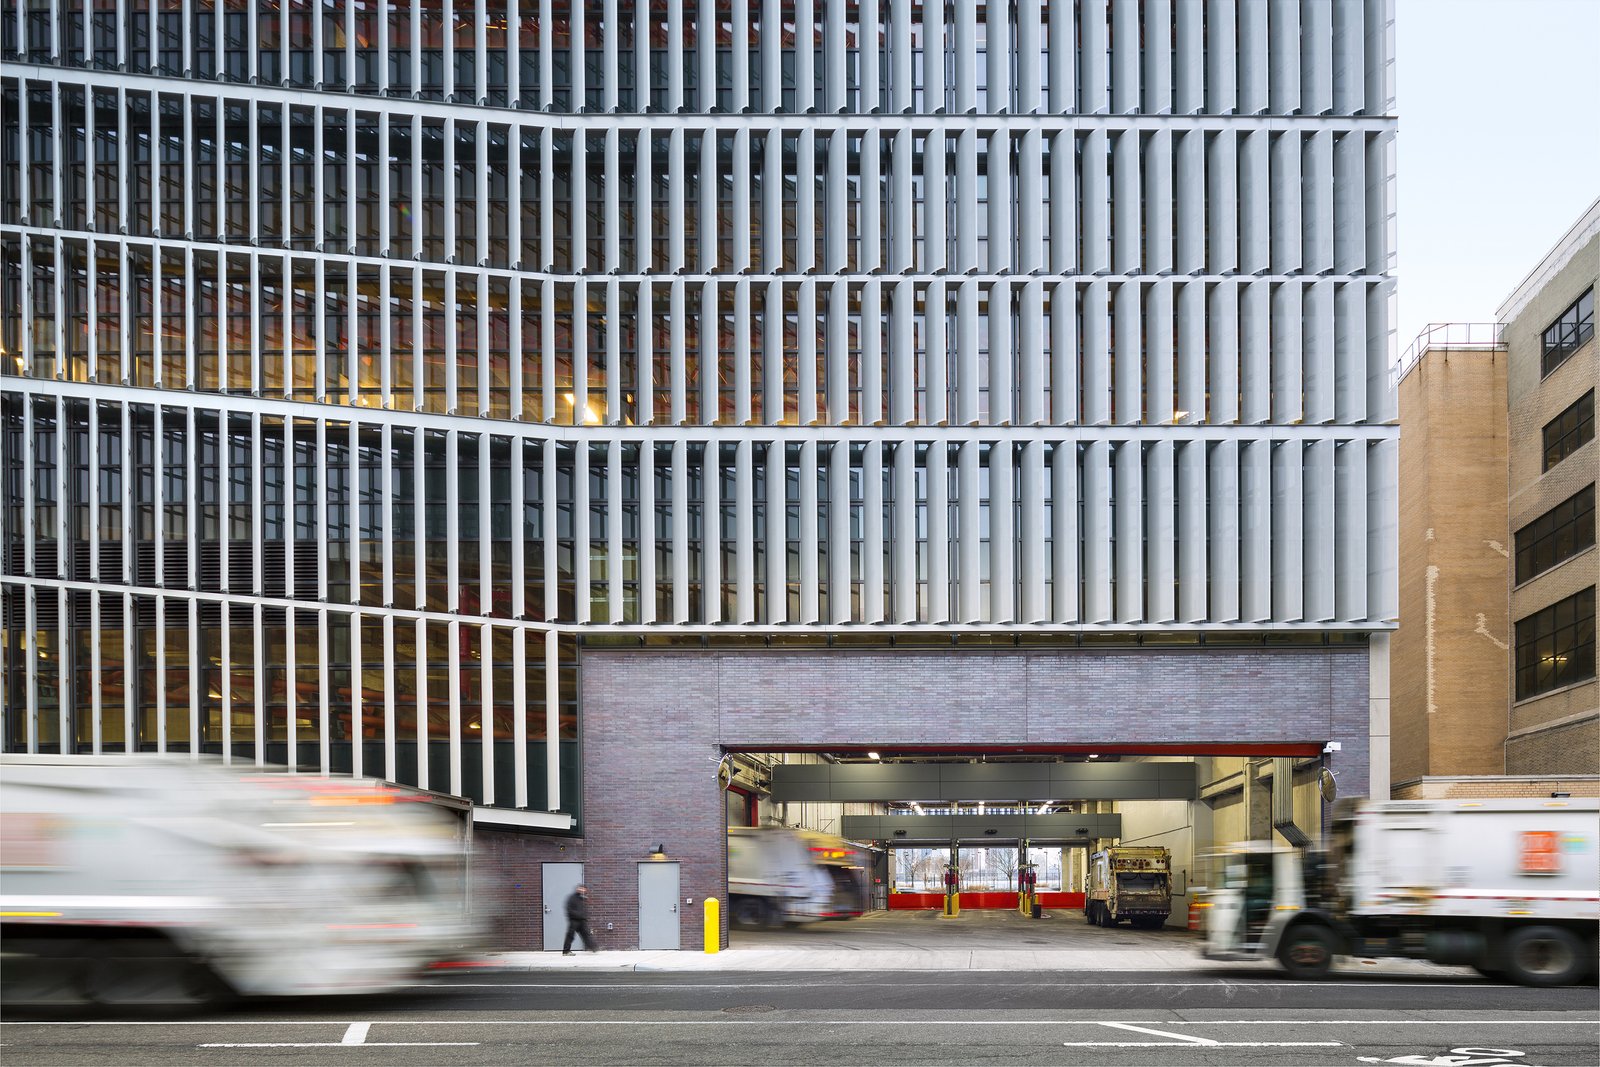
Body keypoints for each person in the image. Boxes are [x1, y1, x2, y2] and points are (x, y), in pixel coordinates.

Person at [562, 884, 597, 955]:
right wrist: (579, 915)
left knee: (586, 934)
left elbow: (583, 909)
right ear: (577, 889)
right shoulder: (572, 898)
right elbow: (569, 909)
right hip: (574, 920)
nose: (582, 890)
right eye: (581, 888)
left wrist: (585, 917)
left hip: (582, 920)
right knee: (570, 936)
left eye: (584, 889)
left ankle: (593, 947)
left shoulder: (582, 898)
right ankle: (566, 951)